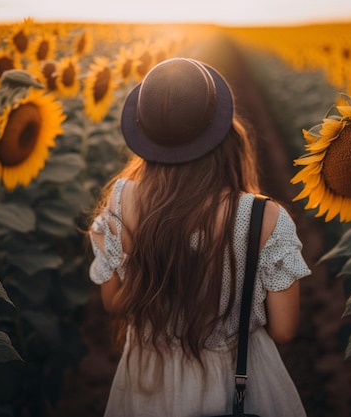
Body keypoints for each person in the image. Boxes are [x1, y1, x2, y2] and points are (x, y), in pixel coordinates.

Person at [88, 57, 311, 417]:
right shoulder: (263, 217)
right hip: (240, 380)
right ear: (223, 133)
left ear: (146, 137)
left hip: (147, 383)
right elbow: (284, 329)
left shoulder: (121, 202)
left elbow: (115, 304)